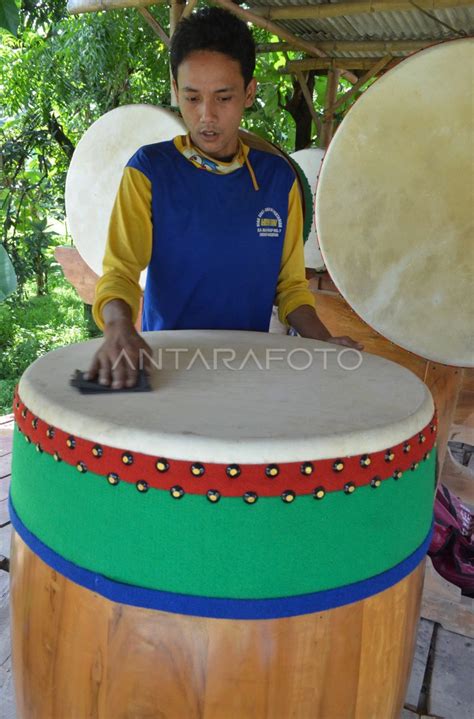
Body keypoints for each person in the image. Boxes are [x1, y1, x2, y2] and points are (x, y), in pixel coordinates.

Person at [87, 7, 361, 389]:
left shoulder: (277, 181)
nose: (206, 116)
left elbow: (291, 289)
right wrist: (117, 327)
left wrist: (323, 340)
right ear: (175, 90)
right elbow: (120, 273)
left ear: (249, 92)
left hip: (246, 370)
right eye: (192, 97)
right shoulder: (149, 171)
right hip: (168, 369)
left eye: (223, 97)